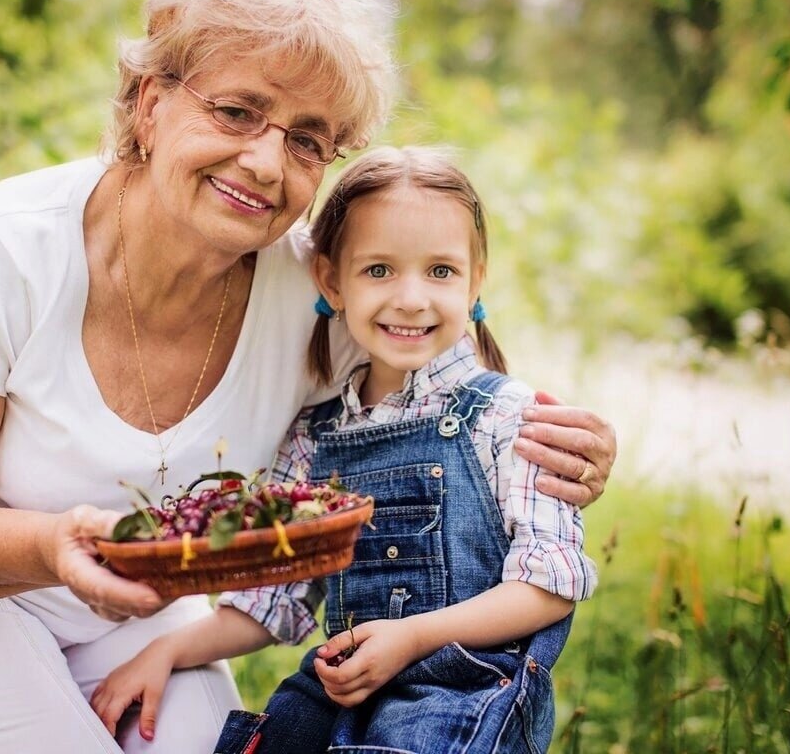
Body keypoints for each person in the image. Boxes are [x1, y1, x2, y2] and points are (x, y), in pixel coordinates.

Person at [0, 0, 616, 753]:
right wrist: (52, 547)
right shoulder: (7, 252)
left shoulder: (315, 296)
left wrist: (571, 449)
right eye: (236, 112)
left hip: (133, 609)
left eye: (307, 140)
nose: (265, 161)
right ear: (150, 103)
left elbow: (434, 380)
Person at [89, 146, 599, 754]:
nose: (411, 298)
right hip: (343, 684)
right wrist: (166, 649)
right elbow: (272, 599)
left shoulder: (510, 417)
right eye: (379, 270)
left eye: (440, 271)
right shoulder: (314, 435)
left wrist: (410, 639)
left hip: (460, 696)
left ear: (475, 280)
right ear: (332, 281)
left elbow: (548, 585)